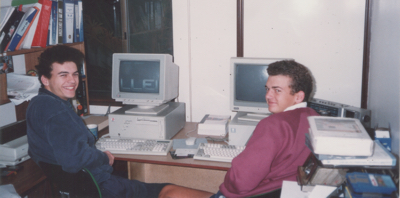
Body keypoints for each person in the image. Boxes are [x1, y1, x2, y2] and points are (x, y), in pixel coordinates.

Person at [26, 45, 213, 198]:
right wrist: (103, 157)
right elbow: (73, 160)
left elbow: (44, 152)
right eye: (63, 75)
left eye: (75, 74)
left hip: (85, 189)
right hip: (102, 188)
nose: (72, 81)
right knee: (168, 191)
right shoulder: (55, 111)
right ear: (45, 79)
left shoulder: (38, 105)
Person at [214, 60, 319, 198]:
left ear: (298, 97)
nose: (268, 95)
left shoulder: (272, 125)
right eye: (267, 89)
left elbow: (240, 182)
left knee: (174, 190)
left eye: (277, 90)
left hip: (252, 195)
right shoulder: (315, 118)